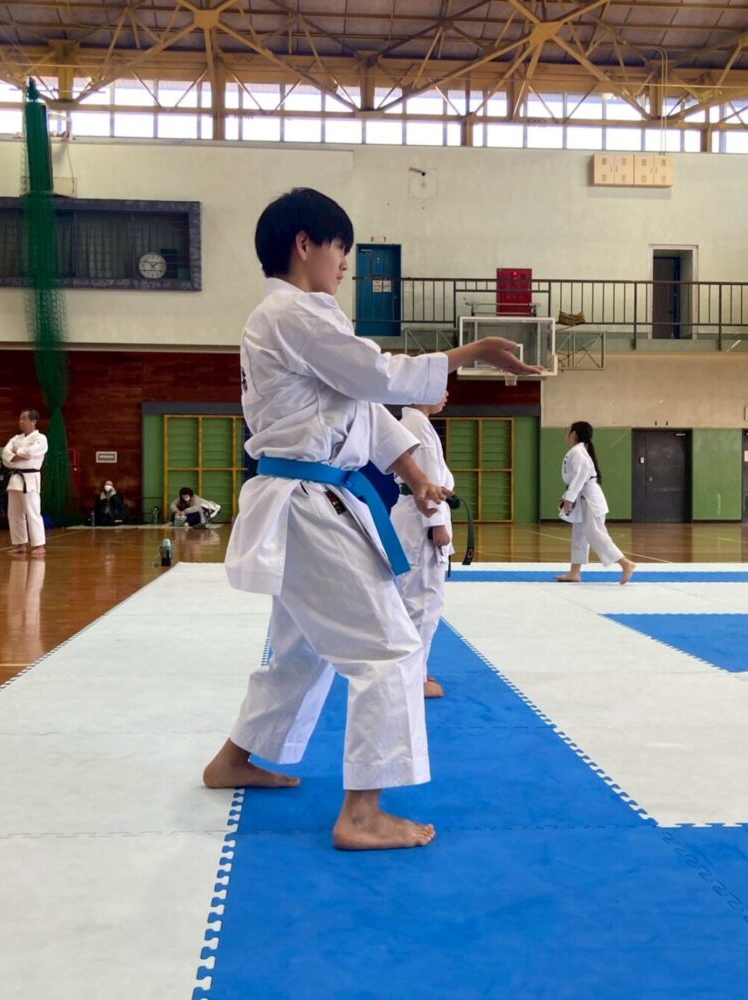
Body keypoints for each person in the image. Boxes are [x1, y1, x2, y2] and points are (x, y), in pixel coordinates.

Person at [203, 187, 542, 852]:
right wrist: (467, 353)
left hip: (307, 502)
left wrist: (416, 477)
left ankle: (234, 759)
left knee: (303, 650)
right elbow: (377, 376)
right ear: (305, 244)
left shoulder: (300, 322)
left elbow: (365, 412)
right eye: (341, 250)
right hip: (309, 506)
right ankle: (361, 813)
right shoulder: (292, 314)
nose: (345, 266)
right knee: (390, 649)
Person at [390, 392, 453, 699]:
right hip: (422, 520)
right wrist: (437, 523)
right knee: (424, 600)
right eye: (442, 387)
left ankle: (413, 667)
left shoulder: (412, 422)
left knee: (410, 596)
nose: (446, 394)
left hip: (411, 517)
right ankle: (413, 677)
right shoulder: (418, 426)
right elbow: (426, 482)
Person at [555, 420, 636, 585]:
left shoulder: (578, 452)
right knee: (579, 535)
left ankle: (625, 563)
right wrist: (568, 497)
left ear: (574, 434)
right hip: (583, 497)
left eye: (568, 431)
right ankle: (574, 572)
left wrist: (569, 499)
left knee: (595, 534)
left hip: (589, 500)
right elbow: (577, 480)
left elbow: (580, 477)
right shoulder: (579, 451)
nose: (566, 434)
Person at [2, 409, 48, 555]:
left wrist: (17, 453)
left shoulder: (41, 438)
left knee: (32, 512)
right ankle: (20, 544)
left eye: (24, 419)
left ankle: (39, 545)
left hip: (30, 479)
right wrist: (20, 455)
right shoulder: (16, 438)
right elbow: (5, 456)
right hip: (15, 479)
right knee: (14, 513)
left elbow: (31, 452)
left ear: (33, 421)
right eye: (20, 419)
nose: (21, 422)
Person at [0, 456, 9, 529]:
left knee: (0, 498)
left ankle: (2, 514)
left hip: (3, 492)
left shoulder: (5, 471)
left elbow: (5, 484)